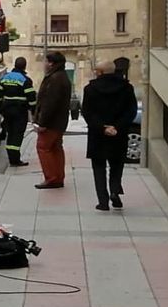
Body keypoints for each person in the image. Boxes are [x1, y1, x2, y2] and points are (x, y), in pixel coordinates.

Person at [81, 60, 138, 211]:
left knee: (99, 167)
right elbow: (131, 111)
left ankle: (103, 201)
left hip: (98, 135)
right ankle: (114, 190)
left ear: (100, 72)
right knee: (117, 165)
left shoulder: (90, 89)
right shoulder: (126, 88)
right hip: (119, 134)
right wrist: (117, 127)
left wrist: (102, 128)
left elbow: (87, 112)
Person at [32, 51, 73, 188]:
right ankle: (58, 177)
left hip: (51, 122)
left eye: (45, 61)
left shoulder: (54, 78)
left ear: (51, 63)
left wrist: (42, 123)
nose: (44, 64)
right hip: (59, 121)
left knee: (43, 147)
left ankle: (51, 178)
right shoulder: (62, 76)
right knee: (56, 148)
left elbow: (50, 102)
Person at [0, 57, 35, 168]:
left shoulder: (4, 78)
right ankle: (15, 160)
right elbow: (31, 98)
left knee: (10, 134)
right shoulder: (25, 80)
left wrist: (0, 110)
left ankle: (11, 158)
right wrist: (34, 111)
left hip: (7, 111)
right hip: (20, 112)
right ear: (24, 66)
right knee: (17, 135)